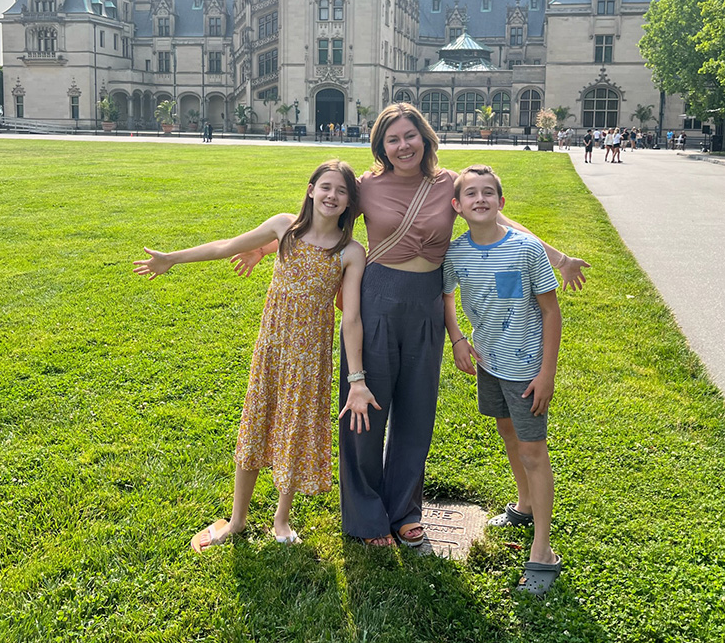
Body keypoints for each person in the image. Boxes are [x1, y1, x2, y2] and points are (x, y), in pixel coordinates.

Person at [233, 104, 588, 549]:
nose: (403, 146)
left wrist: (557, 257)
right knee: (364, 409)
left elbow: (499, 221)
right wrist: (266, 249)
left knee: (416, 413)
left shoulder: (448, 185)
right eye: (392, 139)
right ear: (381, 145)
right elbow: (321, 219)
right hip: (376, 297)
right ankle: (364, 515)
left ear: (425, 137)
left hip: (426, 303)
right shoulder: (365, 186)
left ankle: (404, 510)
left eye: (410, 136)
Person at [133, 160, 375, 549]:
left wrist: (357, 379)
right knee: (255, 425)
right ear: (311, 190)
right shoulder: (284, 228)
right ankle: (237, 520)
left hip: (310, 360)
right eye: (325, 186)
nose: (332, 195)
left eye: (342, 191)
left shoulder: (351, 252)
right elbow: (226, 247)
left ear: (350, 203)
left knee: (293, 432)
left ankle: (282, 519)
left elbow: (351, 320)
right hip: (272, 349)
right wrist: (172, 258)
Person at [443, 165, 562, 594]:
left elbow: (551, 311)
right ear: (457, 206)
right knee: (509, 435)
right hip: (489, 363)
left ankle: (543, 550)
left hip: (527, 370)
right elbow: (446, 294)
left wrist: (546, 373)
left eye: (488, 193)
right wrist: (457, 338)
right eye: (470, 194)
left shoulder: (526, 249)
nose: (480, 199)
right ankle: (524, 505)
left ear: (501, 202)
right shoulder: (456, 253)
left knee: (534, 452)